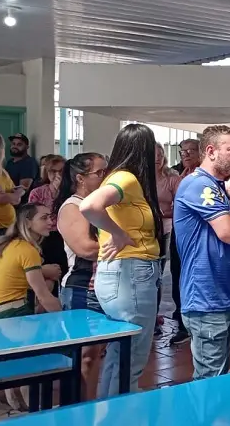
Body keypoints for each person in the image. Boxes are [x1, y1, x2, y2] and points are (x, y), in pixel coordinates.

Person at [80, 124, 163, 396]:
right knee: (131, 359)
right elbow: (88, 206)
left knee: (120, 355)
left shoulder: (118, 177)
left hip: (119, 275)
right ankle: (121, 413)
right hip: (131, 275)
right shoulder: (126, 177)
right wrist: (118, 233)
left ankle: (109, 409)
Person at [173, 125, 230, 379]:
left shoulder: (221, 187)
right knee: (209, 381)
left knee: (219, 376)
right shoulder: (199, 185)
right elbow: (228, 232)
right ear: (211, 151)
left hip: (226, 297)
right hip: (207, 300)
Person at [0, 203, 62, 410]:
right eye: (44, 218)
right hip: (12, 312)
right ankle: (36, 410)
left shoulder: (10, 244)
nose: (50, 221)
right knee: (33, 362)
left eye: (50, 217)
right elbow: (43, 296)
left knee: (21, 358)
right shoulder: (27, 250)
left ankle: (16, 398)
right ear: (27, 222)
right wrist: (66, 321)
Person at [54, 152, 107, 401]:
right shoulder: (72, 207)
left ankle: (90, 404)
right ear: (80, 178)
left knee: (95, 354)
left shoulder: (101, 204)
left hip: (105, 287)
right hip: (82, 288)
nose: (105, 177)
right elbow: (85, 248)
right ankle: (76, 407)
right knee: (83, 354)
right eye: (99, 172)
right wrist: (123, 242)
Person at [169, 138, 201, 342]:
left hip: (195, 234)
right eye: (183, 151)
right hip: (178, 232)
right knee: (177, 274)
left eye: (191, 150)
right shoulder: (178, 175)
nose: (186, 154)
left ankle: (191, 324)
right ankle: (181, 320)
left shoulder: (202, 177)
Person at [155, 144, 181, 333]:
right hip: (145, 229)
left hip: (165, 229)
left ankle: (155, 315)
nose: (157, 158)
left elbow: (181, 204)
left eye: (160, 154)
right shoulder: (139, 178)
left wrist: (163, 213)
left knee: (159, 272)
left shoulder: (171, 178)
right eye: (153, 154)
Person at [5, 133, 39, 200]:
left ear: (27, 147)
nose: (15, 146)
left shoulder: (29, 163)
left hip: (21, 203)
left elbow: (23, 189)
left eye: (19, 144)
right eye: (13, 144)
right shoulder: (10, 162)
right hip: (9, 199)